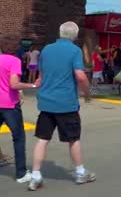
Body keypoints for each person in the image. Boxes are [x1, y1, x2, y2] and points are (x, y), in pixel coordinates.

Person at [28, 21, 95, 191]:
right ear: (74, 35)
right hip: (66, 104)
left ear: (60, 33)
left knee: (42, 139)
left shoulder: (46, 50)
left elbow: (41, 76)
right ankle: (80, 173)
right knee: (73, 139)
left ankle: (35, 175)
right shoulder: (74, 51)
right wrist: (87, 93)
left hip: (46, 103)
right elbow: (80, 76)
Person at [0, 51, 39, 183]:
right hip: (9, 105)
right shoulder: (14, 61)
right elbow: (14, 84)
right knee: (18, 138)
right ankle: (21, 174)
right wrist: (33, 85)